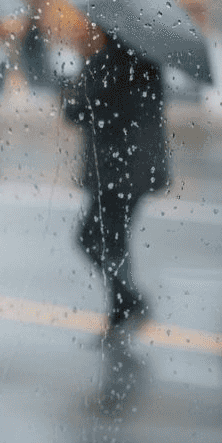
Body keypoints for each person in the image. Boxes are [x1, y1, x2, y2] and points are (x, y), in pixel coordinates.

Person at [62, 30, 170, 335]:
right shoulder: (149, 64)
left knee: (89, 238)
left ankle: (130, 299)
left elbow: (75, 112)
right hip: (140, 170)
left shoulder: (105, 63)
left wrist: (73, 78)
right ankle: (120, 312)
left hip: (112, 171)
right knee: (115, 243)